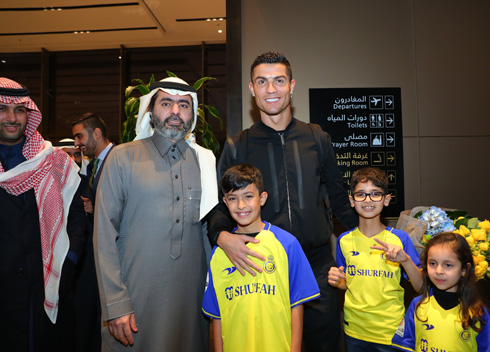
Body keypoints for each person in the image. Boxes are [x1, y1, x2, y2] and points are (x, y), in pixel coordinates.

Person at [207, 51, 358, 351]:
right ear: (252, 89)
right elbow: (218, 205)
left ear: (291, 85)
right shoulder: (239, 145)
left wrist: (373, 239)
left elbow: (341, 201)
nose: (271, 89)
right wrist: (222, 237)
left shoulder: (317, 139)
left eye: (279, 81)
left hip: (318, 268)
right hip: (261, 267)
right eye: (262, 82)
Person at [94, 76, 218, 351]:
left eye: (184, 105)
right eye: (166, 103)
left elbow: (210, 232)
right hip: (135, 300)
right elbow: (104, 235)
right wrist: (115, 305)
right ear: (151, 111)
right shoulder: (122, 158)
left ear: (193, 114)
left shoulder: (205, 163)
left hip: (190, 303)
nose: (175, 111)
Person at [0, 77, 86, 351]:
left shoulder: (55, 161)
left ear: (29, 114)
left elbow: (76, 220)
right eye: (2, 109)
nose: (11, 118)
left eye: (19, 110)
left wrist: (68, 263)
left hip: (50, 286)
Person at [203, 163, 320, 352]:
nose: (241, 205)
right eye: (233, 198)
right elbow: (216, 316)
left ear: (262, 198)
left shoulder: (286, 244)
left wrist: (295, 349)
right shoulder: (218, 253)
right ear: (225, 202)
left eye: (248, 196)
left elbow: (296, 304)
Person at [328, 167, 423, 351]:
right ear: (352, 201)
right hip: (355, 331)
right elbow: (348, 283)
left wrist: (405, 260)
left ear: (386, 200)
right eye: (361, 194)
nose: (368, 200)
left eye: (375, 194)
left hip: (391, 332)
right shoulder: (344, 240)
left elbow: (420, 287)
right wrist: (337, 280)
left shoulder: (400, 239)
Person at [392, 232, 490, 351]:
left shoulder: (477, 312)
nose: (438, 271)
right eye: (432, 263)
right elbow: (404, 345)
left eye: (448, 265)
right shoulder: (418, 305)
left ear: (464, 269)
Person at [72, 113, 113, 212]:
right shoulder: (92, 166)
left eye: (79, 137)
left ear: (97, 134)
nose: (76, 143)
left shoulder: (120, 160)